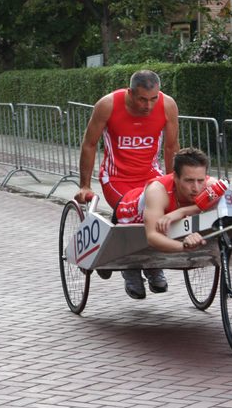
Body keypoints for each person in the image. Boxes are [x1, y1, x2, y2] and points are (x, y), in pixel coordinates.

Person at [75, 69, 180, 298]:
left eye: (153, 99)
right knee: (133, 211)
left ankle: (153, 265)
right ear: (130, 93)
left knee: (158, 211)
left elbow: (171, 148)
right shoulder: (108, 105)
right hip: (116, 178)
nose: (148, 106)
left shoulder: (168, 105)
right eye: (142, 99)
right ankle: (131, 267)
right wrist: (85, 185)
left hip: (150, 175)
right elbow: (89, 143)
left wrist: (175, 183)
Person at [114, 148, 215, 272]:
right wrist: (184, 247)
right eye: (189, 181)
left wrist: (181, 212)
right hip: (128, 213)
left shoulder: (211, 186)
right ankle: (131, 270)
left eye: (200, 180)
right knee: (134, 259)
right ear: (175, 177)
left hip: (165, 219)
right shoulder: (157, 191)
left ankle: (151, 269)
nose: (196, 188)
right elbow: (152, 237)